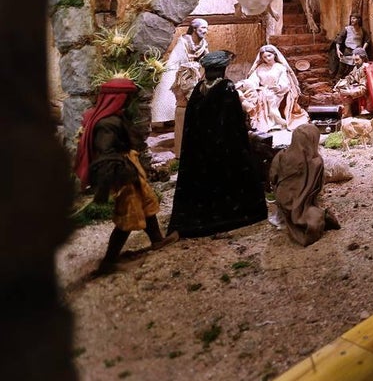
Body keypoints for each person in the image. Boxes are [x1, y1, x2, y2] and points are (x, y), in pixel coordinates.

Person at [76, 79, 177, 275]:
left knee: (147, 201)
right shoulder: (107, 124)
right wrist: (120, 176)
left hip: (129, 165)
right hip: (122, 173)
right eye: (128, 98)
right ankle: (108, 261)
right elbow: (106, 154)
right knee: (128, 213)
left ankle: (157, 239)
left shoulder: (114, 117)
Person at [167, 51, 268, 238]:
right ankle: (232, 216)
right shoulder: (226, 87)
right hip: (225, 144)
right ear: (222, 69)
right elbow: (233, 118)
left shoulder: (199, 88)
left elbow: (194, 120)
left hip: (201, 146)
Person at [268, 124, 340, 247]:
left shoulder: (281, 154)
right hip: (303, 200)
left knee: (294, 208)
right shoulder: (317, 162)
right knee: (310, 213)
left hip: (282, 199)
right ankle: (315, 216)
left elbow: (272, 177)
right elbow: (318, 187)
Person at [150, 18, 208, 127]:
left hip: (196, 73)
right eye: (203, 27)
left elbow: (206, 57)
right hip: (182, 73)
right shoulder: (184, 42)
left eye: (206, 28)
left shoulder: (203, 44)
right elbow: (179, 58)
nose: (206, 31)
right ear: (195, 28)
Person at [239, 44, 309, 134]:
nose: (267, 58)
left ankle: (275, 122)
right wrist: (244, 83)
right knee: (254, 96)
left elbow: (285, 82)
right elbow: (253, 80)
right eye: (264, 57)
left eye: (269, 55)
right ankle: (266, 122)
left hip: (278, 92)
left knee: (270, 97)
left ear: (274, 55)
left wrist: (278, 87)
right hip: (263, 90)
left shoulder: (280, 67)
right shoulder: (260, 68)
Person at [333, 47, 373, 126]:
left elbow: (363, 89)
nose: (355, 62)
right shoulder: (357, 67)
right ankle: (349, 115)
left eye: (357, 60)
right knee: (343, 93)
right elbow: (351, 77)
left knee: (346, 96)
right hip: (359, 92)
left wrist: (349, 92)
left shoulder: (366, 69)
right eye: (354, 60)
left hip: (368, 96)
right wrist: (341, 84)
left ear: (363, 58)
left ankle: (348, 118)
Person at [329, 13, 368, 77]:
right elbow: (339, 39)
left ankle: (349, 84)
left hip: (357, 54)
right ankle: (337, 84)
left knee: (353, 71)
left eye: (354, 18)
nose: (352, 20)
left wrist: (363, 49)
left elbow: (367, 40)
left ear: (358, 20)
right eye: (351, 18)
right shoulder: (347, 29)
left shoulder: (362, 30)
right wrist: (338, 50)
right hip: (347, 52)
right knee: (341, 70)